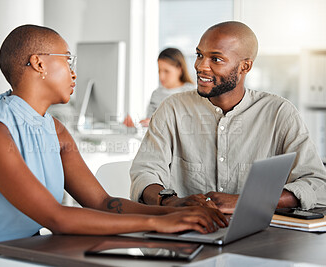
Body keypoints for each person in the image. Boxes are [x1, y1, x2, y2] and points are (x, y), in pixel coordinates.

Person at [0, 24, 227, 266]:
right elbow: (57, 218)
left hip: (23, 250)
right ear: (39, 63)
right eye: (67, 60)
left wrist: (175, 212)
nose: (74, 73)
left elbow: (101, 203)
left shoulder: (55, 129)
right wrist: (159, 222)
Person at [130, 21, 326, 213]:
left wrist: (246, 201)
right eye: (199, 55)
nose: (201, 66)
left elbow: (315, 184)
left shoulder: (279, 113)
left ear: (245, 67)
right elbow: (145, 173)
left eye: (216, 59)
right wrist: (169, 201)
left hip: (262, 237)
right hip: (187, 234)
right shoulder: (172, 109)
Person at [139, 48, 195, 127]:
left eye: (166, 71)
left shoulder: (192, 93)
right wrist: (136, 125)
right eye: (159, 71)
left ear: (180, 69)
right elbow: (149, 123)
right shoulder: (156, 94)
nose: (161, 76)